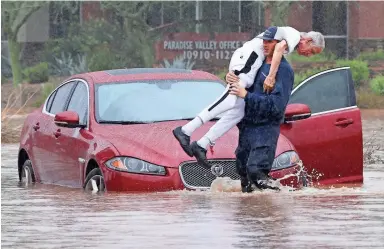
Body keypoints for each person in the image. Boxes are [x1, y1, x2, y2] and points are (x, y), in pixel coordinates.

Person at [173, 26, 325, 168]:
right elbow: (278, 48)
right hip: (248, 57)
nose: (309, 55)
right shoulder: (294, 35)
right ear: (308, 41)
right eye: (312, 51)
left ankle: (202, 144)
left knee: (239, 111)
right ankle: (185, 130)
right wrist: (271, 76)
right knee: (230, 98)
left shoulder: (290, 36)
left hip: (249, 60)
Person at [229, 36, 294, 192]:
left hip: (265, 128)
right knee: (243, 171)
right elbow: (242, 83)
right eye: (264, 41)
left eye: (270, 42)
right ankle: (250, 214)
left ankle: (282, 198)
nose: (265, 44)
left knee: (255, 171)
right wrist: (230, 77)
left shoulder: (283, 70)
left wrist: (247, 95)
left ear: (279, 45)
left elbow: (276, 106)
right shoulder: (257, 64)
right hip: (247, 126)